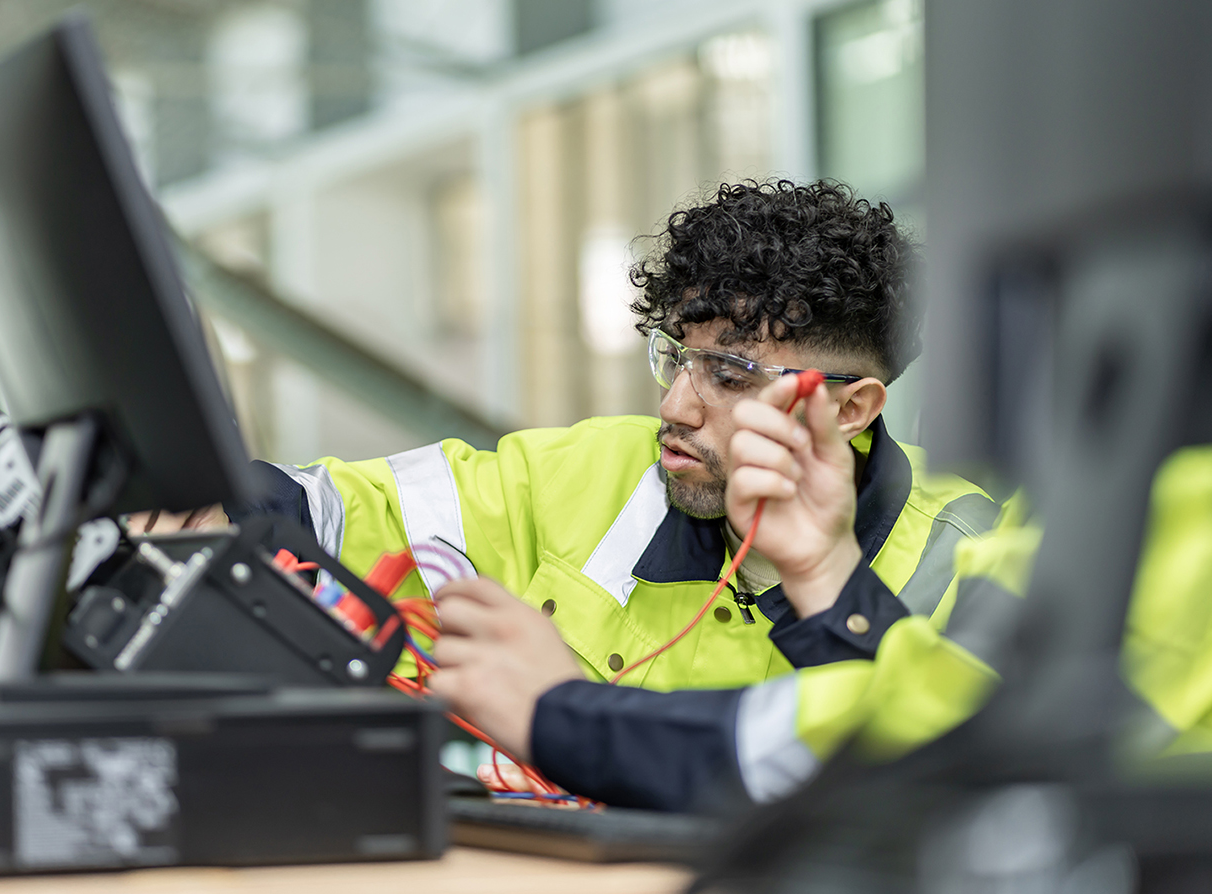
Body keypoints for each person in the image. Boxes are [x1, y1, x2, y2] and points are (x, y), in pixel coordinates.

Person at [167, 180, 999, 809]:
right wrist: (200, 499)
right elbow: (342, 510)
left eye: (729, 373)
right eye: (675, 356)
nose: (675, 407)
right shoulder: (600, 467)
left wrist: (563, 710)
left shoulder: (968, 558)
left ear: (851, 409)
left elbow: (940, 791)